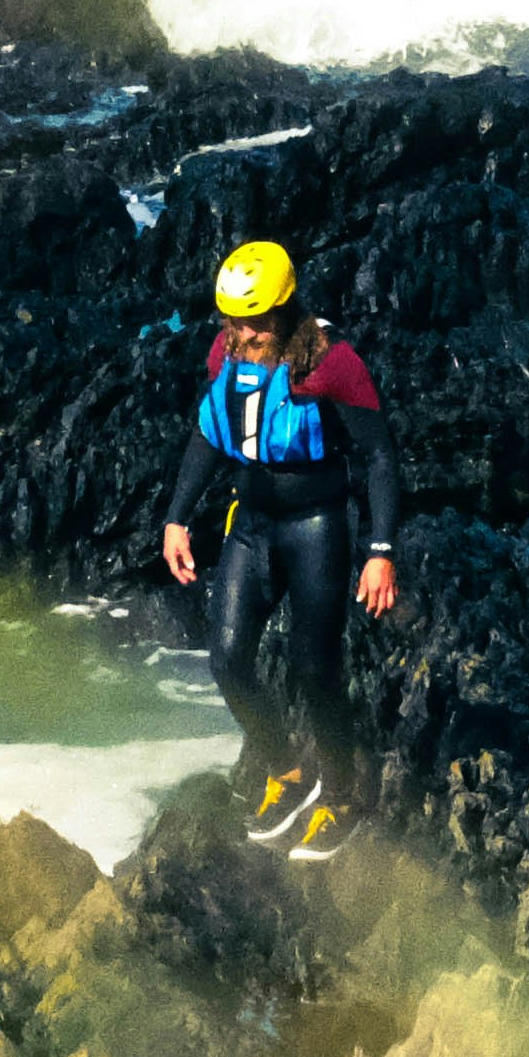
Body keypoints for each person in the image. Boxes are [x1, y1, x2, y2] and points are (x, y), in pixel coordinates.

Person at [158, 239, 402, 863]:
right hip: (253, 523)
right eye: (235, 320)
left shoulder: (332, 362)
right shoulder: (226, 351)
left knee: (312, 670)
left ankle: (343, 798)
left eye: (258, 320)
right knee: (229, 659)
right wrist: (177, 519)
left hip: (318, 526)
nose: (245, 333)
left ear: (287, 307)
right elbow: (209, 434)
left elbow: (377, 453)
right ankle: (288, 773)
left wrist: (380, 550)